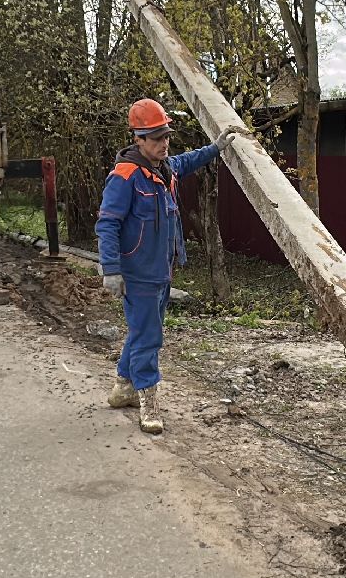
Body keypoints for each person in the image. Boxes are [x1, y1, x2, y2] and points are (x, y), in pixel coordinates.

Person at [96, 99, 248, 433]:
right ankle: (148, 402)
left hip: (162, 269)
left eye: (165, 136)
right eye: (155, 138)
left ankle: (123, 387)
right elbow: (107, 223)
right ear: (138, 139)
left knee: (142, 330)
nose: (163, 143)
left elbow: (189, 160)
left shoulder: (165, 168)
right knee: (150, 337)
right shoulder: (125, 176)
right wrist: (110, 268)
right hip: (137, 272)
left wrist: (216, 148)